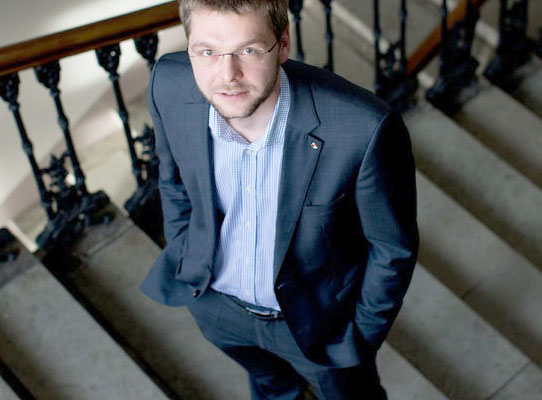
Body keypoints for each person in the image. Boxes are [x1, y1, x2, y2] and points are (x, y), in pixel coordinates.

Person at [140, 0, 418, 398]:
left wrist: (362, 333)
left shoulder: (364, 127)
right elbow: (173, 181)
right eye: (207, 51)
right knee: (271, 387)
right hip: (216, 307)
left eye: (249, 50)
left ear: (283, 44)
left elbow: (392, 248)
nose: (228, 75)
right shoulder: (168, 84)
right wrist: (186, 251)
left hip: (320, 324)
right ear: (189, 47)